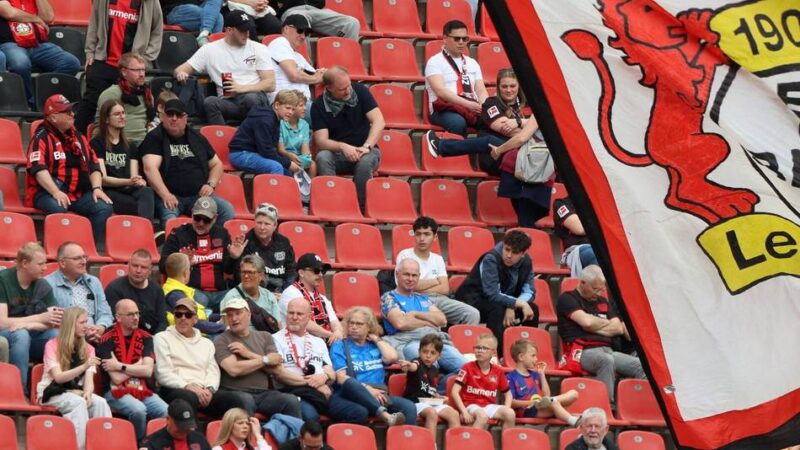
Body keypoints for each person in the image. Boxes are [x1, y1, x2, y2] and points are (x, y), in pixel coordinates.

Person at [26, 95, 114, 243]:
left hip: (77, 193)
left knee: (103, 207)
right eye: (67, 112)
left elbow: (94, 165)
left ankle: (87, 248)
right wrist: (55, 192)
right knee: (58, 207)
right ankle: (60, 250)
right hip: (46, 193)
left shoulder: (79, 137)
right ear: (53, 117)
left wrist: (97, 188)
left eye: (71, 111)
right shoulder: (40, 138)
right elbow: (38, 169)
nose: (72, 114)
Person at [139, 99, 235, 224]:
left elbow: (217, 164)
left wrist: (211, 184)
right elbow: (150, 168)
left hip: (198, 196)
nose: (174, 118)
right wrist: (165, 195)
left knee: (226, 210)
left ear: (185, 118)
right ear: (163, 116)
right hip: (170, 197)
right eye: (170, 114)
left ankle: (215, 241)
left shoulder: (196, 137)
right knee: (170, 221)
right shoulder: (154, 137)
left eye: (178, 115)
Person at [557, 265, 644, 401]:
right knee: (606, 361)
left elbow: (618, 328)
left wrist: (593, 324)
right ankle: (606, 406)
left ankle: (636, 406)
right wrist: (600, 323)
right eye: (595, 289)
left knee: (642, 366)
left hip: (608, 350)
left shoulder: (603, 301)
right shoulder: (567, 298)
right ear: (583, 282)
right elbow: (587, 322)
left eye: (601, 289)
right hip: (582, 351)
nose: (598, 293)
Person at [424, 68, 534, 175]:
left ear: (519, 86)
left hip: (525, 153)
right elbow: (505, 129)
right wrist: (531, 127)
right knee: (489, 141)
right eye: (504, 86)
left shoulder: (529, 105)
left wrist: (519, 122)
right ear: (498, 87)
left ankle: (440, 146)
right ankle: (440, 146)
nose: (509, 90)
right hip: (495, 156)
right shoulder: (491, 104)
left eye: (512, 86)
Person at [154, 298, 252, 418]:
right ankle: (194, 435)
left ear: (195, 319)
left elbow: (213, 371)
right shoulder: (162, 338)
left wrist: (209, 390)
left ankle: (228, 435)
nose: (183, 318)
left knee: (234, 401)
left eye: (188, 315)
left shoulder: (206, 343)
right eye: (179, 314)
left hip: (203, 390)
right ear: (174, 318)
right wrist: (187, 385)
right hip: (175, 388)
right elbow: (163, 373)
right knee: (189, 398)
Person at [174, 11, 275, 125]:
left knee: (250, 99)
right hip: (228, 101)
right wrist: (181, 73)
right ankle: (222, 136)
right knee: (210, 102)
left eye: (248, 30)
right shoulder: (210, 49)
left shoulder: (258, 48)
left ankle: (249, 136)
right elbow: (181, 69)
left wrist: (241, 88)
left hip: (254, 97)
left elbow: (270, 84)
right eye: (242, 30)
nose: (247, 34)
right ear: (229, 30)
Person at [77, 0, 162, 133]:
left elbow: (157, 29)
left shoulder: (149, 2)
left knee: (127, 109)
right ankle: (76, 141)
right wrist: (90, 52)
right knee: (90, 105)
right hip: (103, 61)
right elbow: (94, 21)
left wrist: (145, 59)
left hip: (130, 67)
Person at [36, 307, 112, 450]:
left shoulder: (89, 348)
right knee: (78, 403)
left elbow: (89, 380)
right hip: (50, 391)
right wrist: (83, 366)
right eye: (82, 322)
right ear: (71, 324)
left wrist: (88, 393)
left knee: (100, 402)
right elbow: (58, 378)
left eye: (86, 322)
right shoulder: (52, 345)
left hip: (75, 391)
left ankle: (103, 446)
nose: (87, 326)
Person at [214, 297, 303, 418]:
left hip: (263, 394)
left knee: (291, 401)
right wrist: (265, 360)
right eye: (229, 315)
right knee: (245, 400)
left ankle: (295, 436)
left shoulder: (265, 336)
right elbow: (234, 369)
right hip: (233, 392)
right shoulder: (222, 339)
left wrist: (248, 354)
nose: (234, 318)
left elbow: (276, 369)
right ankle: (252, 436)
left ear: (249, 314)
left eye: (238, 313)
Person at [328, 306, 415, 426]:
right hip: (350, 395)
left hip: (379, 394)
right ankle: (385, 416)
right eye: (351, 323)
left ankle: (403, 444)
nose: (353, 327)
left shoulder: (374, 345)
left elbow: (392, 357)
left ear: (369, 326)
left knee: (409, 407)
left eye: (359, 324)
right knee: (351, 383)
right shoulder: (340, 345)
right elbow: (341, 378)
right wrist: (367, 390)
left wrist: (376, 339)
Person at [311, 66, 383, 209]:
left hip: (366, 149)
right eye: (342, 89)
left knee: (365, 163)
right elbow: (321, 141)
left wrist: (367, 146)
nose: (348, 90)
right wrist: (343, 147)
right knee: (323, 157)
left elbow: (379, 121)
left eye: (349, 85)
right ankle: (332, 205)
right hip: (338, 153)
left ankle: (360, 207)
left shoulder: (361, 91)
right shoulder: (318, 105)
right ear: (329, 88)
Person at [381, 258, 466, 379]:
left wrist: (415, 314)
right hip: (409, 342)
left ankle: (443, 387)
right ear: (397, 274)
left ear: (419, 276)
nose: (410, 279)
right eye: (406, 274)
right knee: (431, 367)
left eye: (414, 275)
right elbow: (400, 323)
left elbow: (442, 320)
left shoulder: (422, 298)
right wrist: (428, 322)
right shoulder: (389, 297)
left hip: (434, 340)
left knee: (465, 368)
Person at [97, 299, 168, 441]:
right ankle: (138, 443)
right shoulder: (106, 340)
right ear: (118, 317)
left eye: (137, 313)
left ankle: (154, 444)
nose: (135, 318)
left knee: (167, 412)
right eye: (130, 314)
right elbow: (116, 379)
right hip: (114, 391)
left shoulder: (146, 338)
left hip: (143, 389)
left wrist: (119, 366)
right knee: (138, 410)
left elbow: (147, 372)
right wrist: (139, 364)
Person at [454, 230, 538, 349]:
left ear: (523, 254)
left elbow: (530, 291)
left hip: (502, 301)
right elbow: (492, 293)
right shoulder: (490, 258)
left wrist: (512, 305)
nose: (509, 255)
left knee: (532, 309)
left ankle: (529, 352)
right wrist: (514, 303)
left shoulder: (526, 262)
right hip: (473, 299)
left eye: (515, 252)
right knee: (497, 309)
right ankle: (498, 354)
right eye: (507, 249)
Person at [160, 196, 246, 311]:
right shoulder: (178, 234)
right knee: (202, 300)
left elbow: (228, 270)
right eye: (197, 218)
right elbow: (162, 266)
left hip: (220, 293)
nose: (201, 223)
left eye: (206, 220)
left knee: (241, 300)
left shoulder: (222, 233)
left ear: (215, 218)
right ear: (192, 214)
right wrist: (182, 262)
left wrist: (234, 258)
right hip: (192, 291)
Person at [0, 242, 61, 393]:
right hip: (7, 335)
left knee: (57, 336)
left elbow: (53, 322)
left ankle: (52, 391)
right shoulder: (3, 280)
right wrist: (40, 318)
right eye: (40, 264)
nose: (45, 268)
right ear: (25, 263)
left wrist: (31, 324)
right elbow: (2, 322)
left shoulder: (43, 285)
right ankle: (18, 391)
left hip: (31, 333)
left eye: (45, 263)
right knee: (21, 335)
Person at [395, 216, 479, 326]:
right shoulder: (405, 255)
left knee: (472, 314)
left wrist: (420, 285)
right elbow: (408, 286)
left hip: (440, 299)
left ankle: (462, 342)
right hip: (415, 299)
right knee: (433, 321)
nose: (421, 238)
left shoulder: (438, 259)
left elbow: (444, 289)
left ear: (435, 237)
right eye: (418, 234)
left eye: (426, 234)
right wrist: (435, 281)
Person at [0, 0, 80, 104]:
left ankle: (44, 100)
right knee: (20, 64)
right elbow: (9, 13)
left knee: (71, 63)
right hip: (11, 43)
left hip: (39, 44)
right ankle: (28, 102)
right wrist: (36, 19)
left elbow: (48, 18)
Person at [91, 98, 156, 220]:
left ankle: (146, 233)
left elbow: (133, 176)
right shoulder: (97, 144)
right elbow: (103, 179)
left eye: (123, 113)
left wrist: (138, 181)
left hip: (129, 189)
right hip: (110, 190)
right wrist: (129, 182)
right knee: (140, 206)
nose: (122, 117)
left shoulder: (131, 146)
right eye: (117, 114)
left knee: (147, 192)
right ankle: (145, 232)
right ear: (106, 119)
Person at [424, 20, 488, 136]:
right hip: (444, 109)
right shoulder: (435, 62)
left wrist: (485, 107)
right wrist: (467, 104)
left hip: (471, 107)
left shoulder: (472, 62)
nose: (461, 42)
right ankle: (458, 153)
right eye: (457, 38)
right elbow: (441, 92)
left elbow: (481, 90)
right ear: (445, 38)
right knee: (458, 123)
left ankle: (486, 152)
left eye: (465, 39)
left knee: (492, 122)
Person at [487, 116, 554, 226]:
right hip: (526, 168)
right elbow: (522, 137)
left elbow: (522, 137)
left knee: (528, 221)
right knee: (527, 221)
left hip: (535, 169)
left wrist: (499, 150)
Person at [46, 242, 113, 343]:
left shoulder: (94, 282)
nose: (83, 262)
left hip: (94, 335)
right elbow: (51, 320)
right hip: (67, 337)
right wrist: (80, 330)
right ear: (62, 263)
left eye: (84, 257)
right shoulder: (48, 284)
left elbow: (105, 313)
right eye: (77, 258)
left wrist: (100, 327)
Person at [396, 333, 460, 438]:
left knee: (454, 414)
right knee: (431, 413)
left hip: (429, 402)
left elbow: (431, 390)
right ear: (419, 351)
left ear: (439, 356)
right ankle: (431, 446)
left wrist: (439, 397)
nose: (428, 355)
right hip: (414, 403)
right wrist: (410, 366)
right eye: (425, 352)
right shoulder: (417, 362)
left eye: (433, 353)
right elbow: (413, 366)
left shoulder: (435, 371)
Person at [506, 338, 579, 425]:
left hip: (543, 406)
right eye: (533, 356)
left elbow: (547, 395)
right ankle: (574, 421)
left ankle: (552, 402)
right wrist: (532, 402)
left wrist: (542, 374)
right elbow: (511, 402)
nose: (536, 359)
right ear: (521, 357)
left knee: (574, 393)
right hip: (527, 410)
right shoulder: (511, 377)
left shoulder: (535, 374)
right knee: (554, 403)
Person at [228, 89, 301, 175]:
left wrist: (287, 163)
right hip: (241, 154)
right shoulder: (265, 119)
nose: (290, 112)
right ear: (277, 105)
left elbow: (270, 149)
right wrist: (288, 163)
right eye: (288, 108)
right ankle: (274, 189)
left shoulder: (274, 118)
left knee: (287, 173)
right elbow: (266, 150)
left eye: (293, 109)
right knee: (276, 167)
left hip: (255, 153)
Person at [451, 333, 515, 430]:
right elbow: (454, 391)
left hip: (489, 406)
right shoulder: (467, 367)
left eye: (484, 348)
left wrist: (506, 408)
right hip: (471, 405)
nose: (479, 351)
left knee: (510, 414)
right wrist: (464, 411)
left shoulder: (498, 371)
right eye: (477, 347)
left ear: (493, 352)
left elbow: (508, 394)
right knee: (482, 416)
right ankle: (472, 443)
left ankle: (507, 444)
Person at [280, 253, 342, 343]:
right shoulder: (290, 293)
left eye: (323, 271)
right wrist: (331, 335)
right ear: (301, 273)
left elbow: (335, 322)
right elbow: (304, 323)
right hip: (294, 344)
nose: (320, 275)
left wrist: (338, 332)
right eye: (316, 271)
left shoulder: (323, 298)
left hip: (319, 346)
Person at [90, 53, 153, 143]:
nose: (142, 74)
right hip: (121, 143)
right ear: (124, 72)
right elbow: (100, 124)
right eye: (137, 70)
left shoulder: (147, 94)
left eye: (143, 70)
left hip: (145, 142)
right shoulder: (112, 93)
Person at [105, 249, 167, 334]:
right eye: (135, 266)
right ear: (129, 266)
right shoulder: (114, 288)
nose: (138, 270)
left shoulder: (157, 290)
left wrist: (156, 339)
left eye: (143, 267)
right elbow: (116, 323)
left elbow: (163, 321)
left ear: (150, 270)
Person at [239, 202, 297, 292]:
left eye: (267, 224)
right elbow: (243, 276)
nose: (262, 227)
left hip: (280, 289)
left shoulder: (284, 242)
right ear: (254, 223)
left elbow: (291, 271)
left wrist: (285, 293)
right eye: (259, 223)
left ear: (275, 225)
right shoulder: (246, 242)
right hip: (255, 290)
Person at [267, 15, 324, 106]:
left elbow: (316, 74)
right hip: (285, 103)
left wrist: (324, 74)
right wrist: (316, 78)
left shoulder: (298, 56)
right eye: (300, 31)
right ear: (286, 29)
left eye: (306, 33)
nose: (303, 36)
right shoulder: (280, 42)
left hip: (302, 104)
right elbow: (294, 75)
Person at [161, 253, 223, 335]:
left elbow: (203, 316)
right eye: (190, 269)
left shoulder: (174, 289)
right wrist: (223, 327)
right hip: (192, 337)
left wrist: (223, 316)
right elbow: (194, 322)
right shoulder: (176, 295)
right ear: (185, 273)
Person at [222, 255, 281, 332]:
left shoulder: (269, 296)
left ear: (261, 276)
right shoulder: (231, 297)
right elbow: (228, 330)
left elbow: (278, 327)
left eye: (250, 272)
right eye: (243, 272)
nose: (246, 276)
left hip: (268, 340)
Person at [141, 398, 212, 450]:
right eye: (180, 426)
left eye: (187, 426)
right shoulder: (151, 443)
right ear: (168, 419)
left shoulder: (199, 439)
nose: (184, 431)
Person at [554, 196, 597, 277]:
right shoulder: (562, 203)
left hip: (602, 247)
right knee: (594, 254)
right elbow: (579, 228)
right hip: (578, 249)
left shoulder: (599, 204)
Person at [275, 0, 359, 40]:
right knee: (300, 20)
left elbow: (320, 2)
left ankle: (343, 66)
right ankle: (307, 68)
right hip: (293, 10)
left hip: (316, 10)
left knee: (352, 23)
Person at [279, 91, 315, 176]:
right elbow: (281, 150)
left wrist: (306, 158)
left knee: (312, 164)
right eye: (301, 106)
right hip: (285, 156)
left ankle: (309, 188)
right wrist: (291, 157)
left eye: (305, 105)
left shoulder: (304, 124)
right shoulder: (281, 123)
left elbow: (305, 148)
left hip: (298, 157)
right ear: (293, 108)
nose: (305, 108)